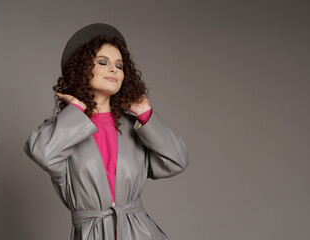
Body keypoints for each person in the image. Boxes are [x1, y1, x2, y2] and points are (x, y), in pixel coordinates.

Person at [23, 23, 190, 240]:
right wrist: (77, 109)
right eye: (103, 62)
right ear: (83, 69)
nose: (114, 69)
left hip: (140, 233)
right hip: (90, 233)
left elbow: (177, 160)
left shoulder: (135, 127)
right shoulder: (64, 129)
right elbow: (43, 153)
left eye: (119, 66)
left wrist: (145, 113)